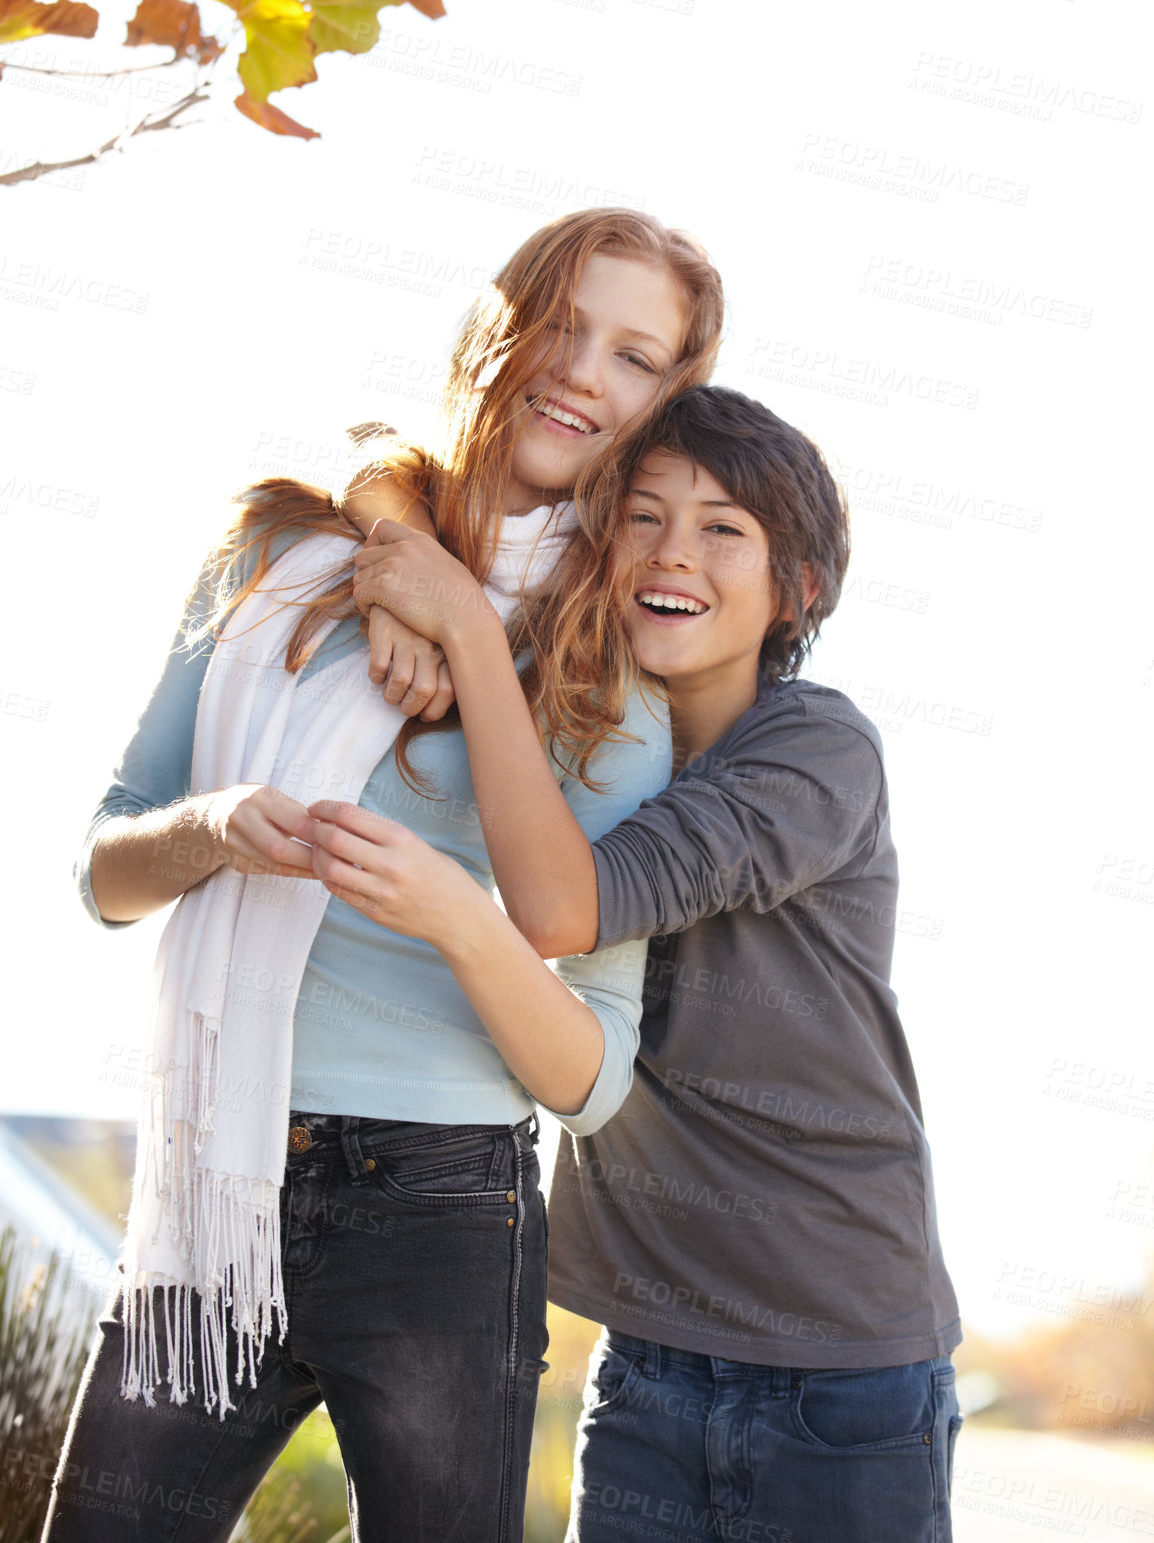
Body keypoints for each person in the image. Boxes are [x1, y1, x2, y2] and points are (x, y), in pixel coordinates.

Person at [42, 210, 724, 1543]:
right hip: (211, 1190)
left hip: (440, 1212)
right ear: (494, 326)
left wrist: (458, 912)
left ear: (664, 408)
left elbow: (589, 1074)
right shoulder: (278, 561)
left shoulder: (613, 676)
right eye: (563, 322)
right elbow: (106, 878)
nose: (582, 371)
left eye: (634, 357)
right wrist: (214, 827)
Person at [342, 385, 962, 1543]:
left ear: (799, 589)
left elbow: (558, 909)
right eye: (640, 516)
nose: (672, 550)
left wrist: (465, 629)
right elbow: (384, 451)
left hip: (841, 1371)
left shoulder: (814, 748)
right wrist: (402, 563)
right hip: (646, 1362)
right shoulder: (570, 734)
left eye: (723, 527)